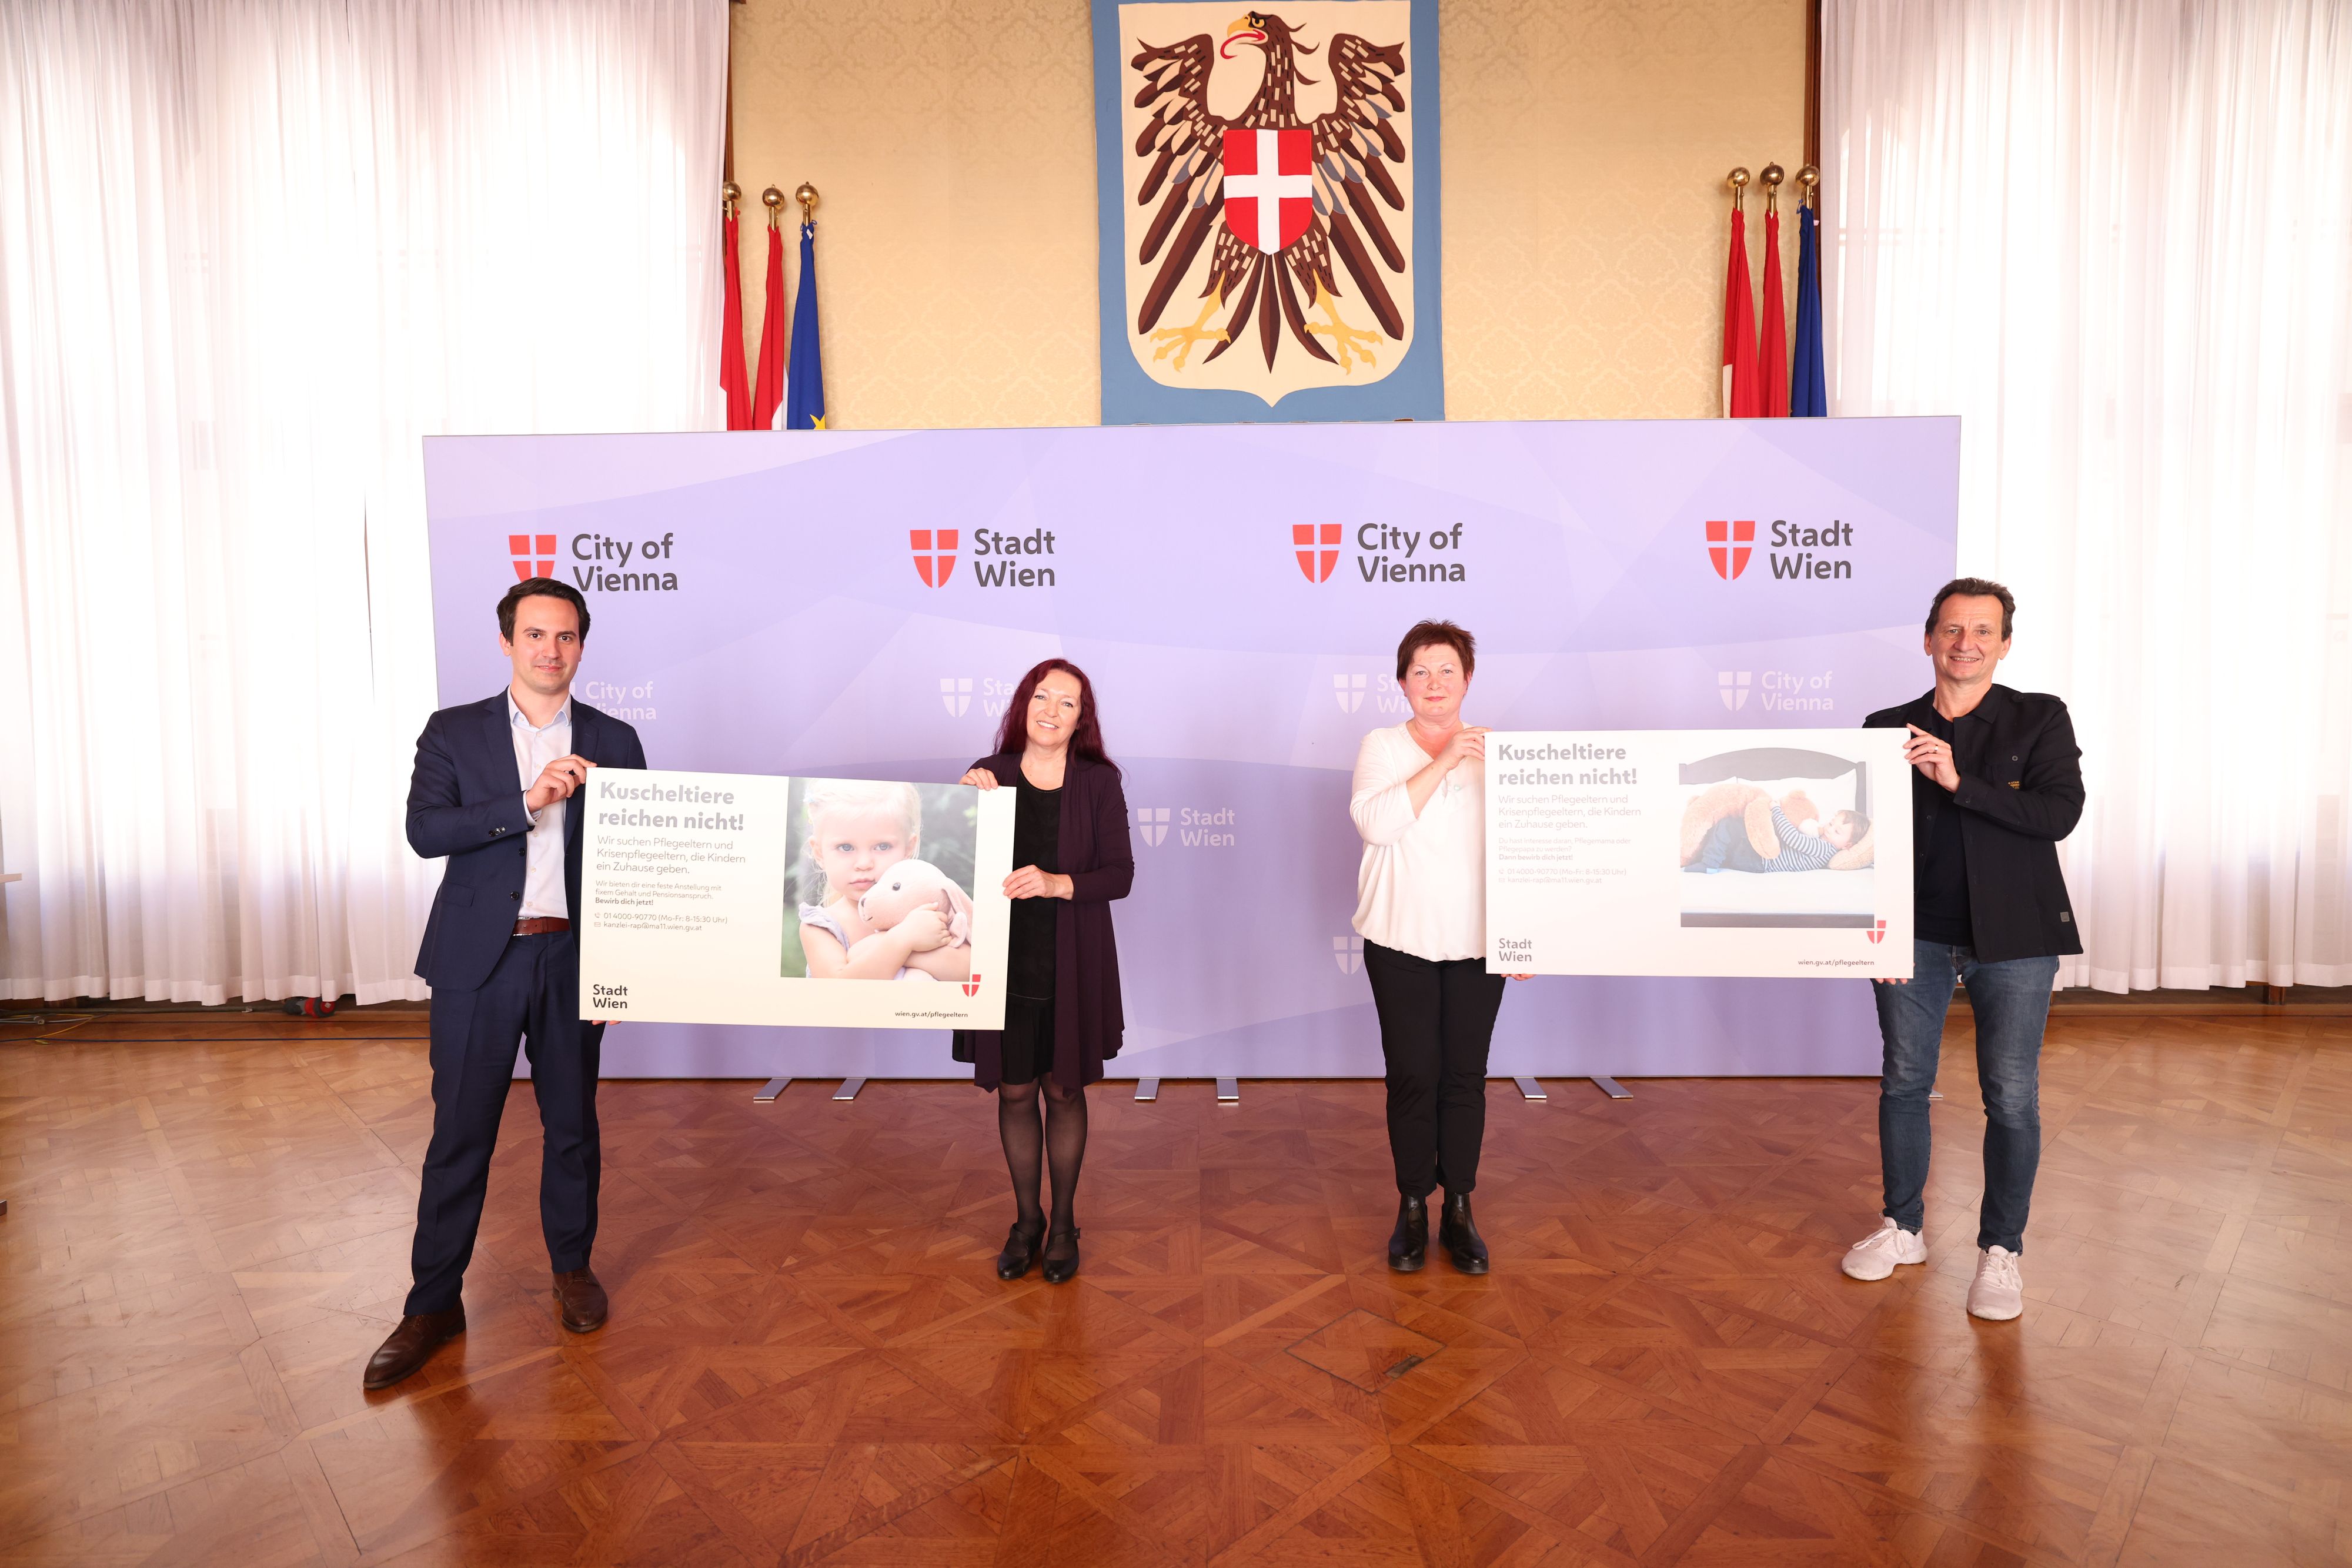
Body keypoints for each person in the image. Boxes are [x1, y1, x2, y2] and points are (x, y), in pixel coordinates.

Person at [364, 578, 647, 1390]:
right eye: (534, 635)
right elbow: (427, 831)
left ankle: (572, 1270)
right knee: (460, 1136)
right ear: (506, 642)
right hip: (475, 965)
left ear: (582, 646)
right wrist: (525, 802)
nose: (549, 649)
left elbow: (635, 863)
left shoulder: (616, 738)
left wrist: (628, 965)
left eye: (564, 636)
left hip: (572, 961)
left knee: (572, 1128)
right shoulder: (453, 732)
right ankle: (431, 1303)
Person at [1843, 577, 2083, 1322]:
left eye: (1982, 631)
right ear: (1928, 640)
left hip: (2013, 941)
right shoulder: (1884, 726)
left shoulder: (2040, 718)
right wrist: (1867, 931)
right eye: (1951, 630)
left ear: (2003, 644)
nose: (1965, 643)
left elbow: (2058, 814)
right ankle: (1902, 1228)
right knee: (1904, 1081)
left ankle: (1999, 1251)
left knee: (2010, 1095)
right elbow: (1860, 836)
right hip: (1910, 933)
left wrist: (1959, 781)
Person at [1349, 620, 1528, 1276]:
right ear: (1402, 683)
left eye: (1446, 671)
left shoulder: (1503, 753)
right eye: (1420, 672)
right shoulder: (1381, 746)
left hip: (1479, 944)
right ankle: (1412, 1207)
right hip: (1398, 939)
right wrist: (1447, 758)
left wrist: (1527, 931)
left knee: (1464, 1077)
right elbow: (1376, 822)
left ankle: (1459, 1208)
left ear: (1468, 679)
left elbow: (1525, 852)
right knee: (1412, 1076)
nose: (1434, 684)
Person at [953, 659, 1134, 1285]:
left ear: (1082, 719)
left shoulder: (1099, 782)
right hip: (1002, 964)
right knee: (1014, 1090)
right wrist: (959, 811)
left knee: (1063, 1090)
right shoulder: (991, 775)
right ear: (1022, 703)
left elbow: (1120, 875)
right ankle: (1026, 1221)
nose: (1051, 711)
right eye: (1042, 696)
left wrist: (1058, 884)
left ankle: (1063, 1225)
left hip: (1071, 960)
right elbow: (953, 865)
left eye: (1067, 703)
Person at [796, 780, 969, 981]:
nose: (864, 863)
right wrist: (904, 939)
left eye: (882, 847)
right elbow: (839, 989)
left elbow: (969, 972)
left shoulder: (926, 909)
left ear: (908, 848)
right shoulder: (820, 927)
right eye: (846, 847)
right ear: (819, 853)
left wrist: (902, 946)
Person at [1687, 805, 1868, 873]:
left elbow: (1791, 838)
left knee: (1729, 824)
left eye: (1837, 832)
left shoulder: (1824, 849)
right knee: (1726, 843)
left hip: (1760, 860)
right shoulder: (1823, 843)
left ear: (1848, 846)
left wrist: (1776, 810)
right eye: (1831, 824)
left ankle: (1709, 864)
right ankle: (1701, 859)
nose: (1829, 830)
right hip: (1756, 863)